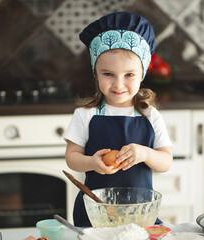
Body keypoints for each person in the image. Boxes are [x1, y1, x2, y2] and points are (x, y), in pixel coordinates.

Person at [64, 11, 173, 227]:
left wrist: (145, 153)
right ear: (96, 72)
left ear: (142, 73)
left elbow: (166, 162)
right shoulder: (86, 115)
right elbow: (71, 157)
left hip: (139, 214)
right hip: (95, 214)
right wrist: (91, 163)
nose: (118, 84)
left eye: (129, 75)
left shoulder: (150, 115)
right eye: (108, 74)